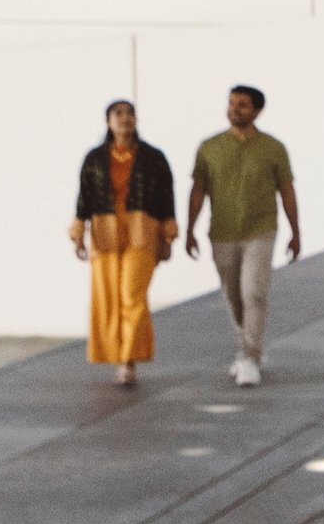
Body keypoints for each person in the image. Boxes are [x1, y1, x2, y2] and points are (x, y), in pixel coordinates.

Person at [186, 82, 306, 386]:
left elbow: (287, 190)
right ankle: (248, 344)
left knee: (253, 291)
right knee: (232, 293)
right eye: (231, 103)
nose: (234, 109)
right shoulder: (210, 148)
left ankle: (249, 356)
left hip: (260, 230)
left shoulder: (272, 148)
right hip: (222, 231)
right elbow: (198, 190)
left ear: (257, 110)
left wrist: (295, 232)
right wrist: (189, 229)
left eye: (242, 104)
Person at [72, 97, 177, 391]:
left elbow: (166, 195)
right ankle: (117, 354)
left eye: (130, 113)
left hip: (143, 229)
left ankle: (128, 360)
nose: (125, 118)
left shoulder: (153, 157)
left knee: (133, 294)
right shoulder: (94, 158)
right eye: (118, 113)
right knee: (108, 297)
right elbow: (84, 197)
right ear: (108, 121)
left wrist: (168, 234)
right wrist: (79, 231)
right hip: (105, 230)